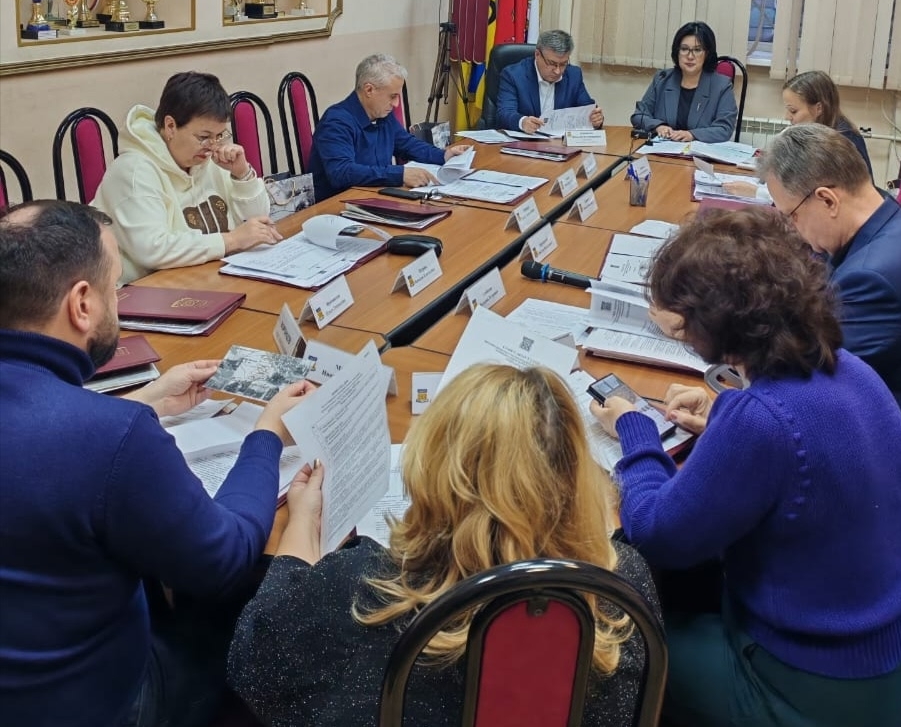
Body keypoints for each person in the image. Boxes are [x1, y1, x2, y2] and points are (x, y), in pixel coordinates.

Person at [590, 207, 901, 727]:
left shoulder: (763, 423)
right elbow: (801, 444)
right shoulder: (853, 371)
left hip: (819, 688)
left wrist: (635, 428)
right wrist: (724, 412)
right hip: (898, 657)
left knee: (608, 641)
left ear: (713, 326)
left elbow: (657, 532)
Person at [0, 199, 314, 727]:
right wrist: (267, 435)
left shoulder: (99, 426)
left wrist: (144, 400)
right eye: (116, 288)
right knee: (239, 613)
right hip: (101, 704)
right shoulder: (110, 437)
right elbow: (226, 558)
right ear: (82, 304)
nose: (120, 303)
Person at [229, 364, 661, 727]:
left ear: (433, 472)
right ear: (575, 475)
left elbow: (254, 666)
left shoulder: (361, 587)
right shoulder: (621, 584)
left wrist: (303, 524)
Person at [757, 123, 901, 535]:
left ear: (827, 199)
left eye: (791, 216)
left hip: (891, 476)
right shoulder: (884, 223)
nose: (792, 230)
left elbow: (802, 382)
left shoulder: (874, 277)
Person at [91, 71, 281, 285]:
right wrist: (231, 240)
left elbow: (259, 224)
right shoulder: (133, 171)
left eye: (219, 136)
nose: (213, 146)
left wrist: (242, 176)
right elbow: (152, 249)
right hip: (143, 291)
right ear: (170, 126)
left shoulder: (208, 158)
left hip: (204, 278)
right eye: (204, 137)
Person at [307, 54, 470, 201]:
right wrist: (399, 175)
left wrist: (443, 156)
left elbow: (407, 144)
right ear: (369, 90)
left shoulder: (382, 115)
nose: (396, 104)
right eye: (392, 96)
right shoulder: (336, 122)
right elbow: (341, 172)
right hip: (338, 206)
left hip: (375, 197)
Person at [630, 20, 737, 143]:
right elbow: (639, 116)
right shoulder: (662, 79)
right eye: (684, 49)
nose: (690, 56)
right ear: (677, 52)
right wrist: (658, 126)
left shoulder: (722, 86)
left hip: (699, 153)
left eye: (697, 50)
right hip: (664, 150)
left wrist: (692, 135)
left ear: (707, 54)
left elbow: (724, 129)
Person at [495, 29, 604, 132]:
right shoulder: (513, 75)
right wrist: (522, 122)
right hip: (524, 140)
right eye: (552, 63)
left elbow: (587, 109)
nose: (557, 71)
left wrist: (596, 119)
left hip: (558, 142)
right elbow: (505, 113)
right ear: (537, 54)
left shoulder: (573, 75)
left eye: (563, 64)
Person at [781, 69, 873, 175]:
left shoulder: (844, 141)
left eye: (793, 111)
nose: (787, 117)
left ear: (818, 108)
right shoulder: (810, 134)